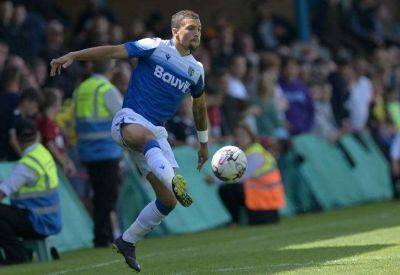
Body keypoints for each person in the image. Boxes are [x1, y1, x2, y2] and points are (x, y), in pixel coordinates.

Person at [50, 10, 208, 272]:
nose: (196, 33)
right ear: (175, 31)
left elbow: (199, 108)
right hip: (130, 120)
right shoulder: (154, 47)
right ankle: (173, 179)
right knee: (147, 140)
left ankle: (127, 240)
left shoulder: (197, 71)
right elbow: (112, 51)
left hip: (156, 135)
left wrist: (203, 144)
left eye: (199, 29)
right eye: (191, 28)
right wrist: (75, 56)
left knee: (168, 201)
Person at [73, 59, 123, 248]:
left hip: (86, 151)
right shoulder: (106, 89)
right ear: (111, 70)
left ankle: (104, 235)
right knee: (107, 196)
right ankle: (102, 237)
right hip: (106, 151)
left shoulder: (81, 89)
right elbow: (122, 117)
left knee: (100, 194)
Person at [0, 118, 62, 265]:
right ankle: (20, 253)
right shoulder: (43, 154)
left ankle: (16, 256)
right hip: (50, 219)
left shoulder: (27, 164)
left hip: (38, 221)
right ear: (37, 135)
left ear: (15, 139)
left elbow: (3, 192)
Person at [209, 124, 285, 226]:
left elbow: (241, 176)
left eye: (243, 136)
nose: (240, 139)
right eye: (237, 136)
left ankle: (235, 221)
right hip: (265, 194)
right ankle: (238, 220)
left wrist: (216, 180)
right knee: (229, 188)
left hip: (262, 195)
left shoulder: (254, 153)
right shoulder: (250, 151)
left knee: (227, 190)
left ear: (251, 136)